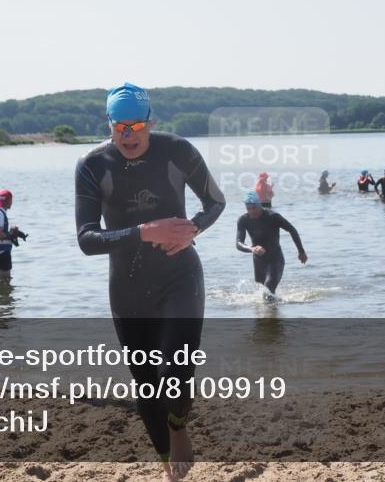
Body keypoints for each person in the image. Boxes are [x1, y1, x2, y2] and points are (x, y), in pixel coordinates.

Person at [75, 83, 225, 481]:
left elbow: (216, 202)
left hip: (179, 277)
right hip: (127, 288)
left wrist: (192, 228)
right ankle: (168, 469)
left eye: (135, 125)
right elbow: (87, 240)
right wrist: (145, 231)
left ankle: (178, 426)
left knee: (175, 371)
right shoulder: (92, 165)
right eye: (118, 125)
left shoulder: (177, 150)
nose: (127, 134)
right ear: (108, 123)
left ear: (149, 122)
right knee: (146, 387)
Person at [236, 191, 307, 301]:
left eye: (254, 208)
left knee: (268, 289)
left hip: (275, 259)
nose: (251, 211)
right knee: (262, 292)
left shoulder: (273, 216)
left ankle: (271, 317)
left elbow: (292, 230)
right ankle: (268, 315)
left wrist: (301, 251)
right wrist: (252, 249)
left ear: (259, 205)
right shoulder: (244, 220)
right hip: (258, 261)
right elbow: (238, 243)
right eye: (248, 208)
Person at [0, 189, 27, 281]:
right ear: (9, 201)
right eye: (11, 200)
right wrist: (10, 235)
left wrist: (11, 234)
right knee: (4, 279)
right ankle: (2, 294)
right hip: (1, 253)